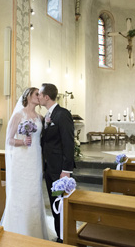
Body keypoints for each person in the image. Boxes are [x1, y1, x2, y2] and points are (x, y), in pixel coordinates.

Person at [0, 87, 49, 239]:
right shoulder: (18, 115)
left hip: (35, 160)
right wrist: (22, 141)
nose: (39, 96)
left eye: (40, 94)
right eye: (36, 94)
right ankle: (17, 228)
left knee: (34, 192)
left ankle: (35, 230)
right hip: (21, 160)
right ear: (28, 96)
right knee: (20, 193)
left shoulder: (40, 117)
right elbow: (9, 140)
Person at [38, 83, 75, 243]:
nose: (38, 97)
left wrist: (66, 170)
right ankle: (61, 235)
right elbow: (46, 141)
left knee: (61, 203)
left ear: (46, 97)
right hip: (50, 169)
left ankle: (64, 237)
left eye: (39, 94)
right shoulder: (49, 116)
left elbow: (68, 142)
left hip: (60, 170)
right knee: (55, 202)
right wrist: (46, 125)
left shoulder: (62, 114)